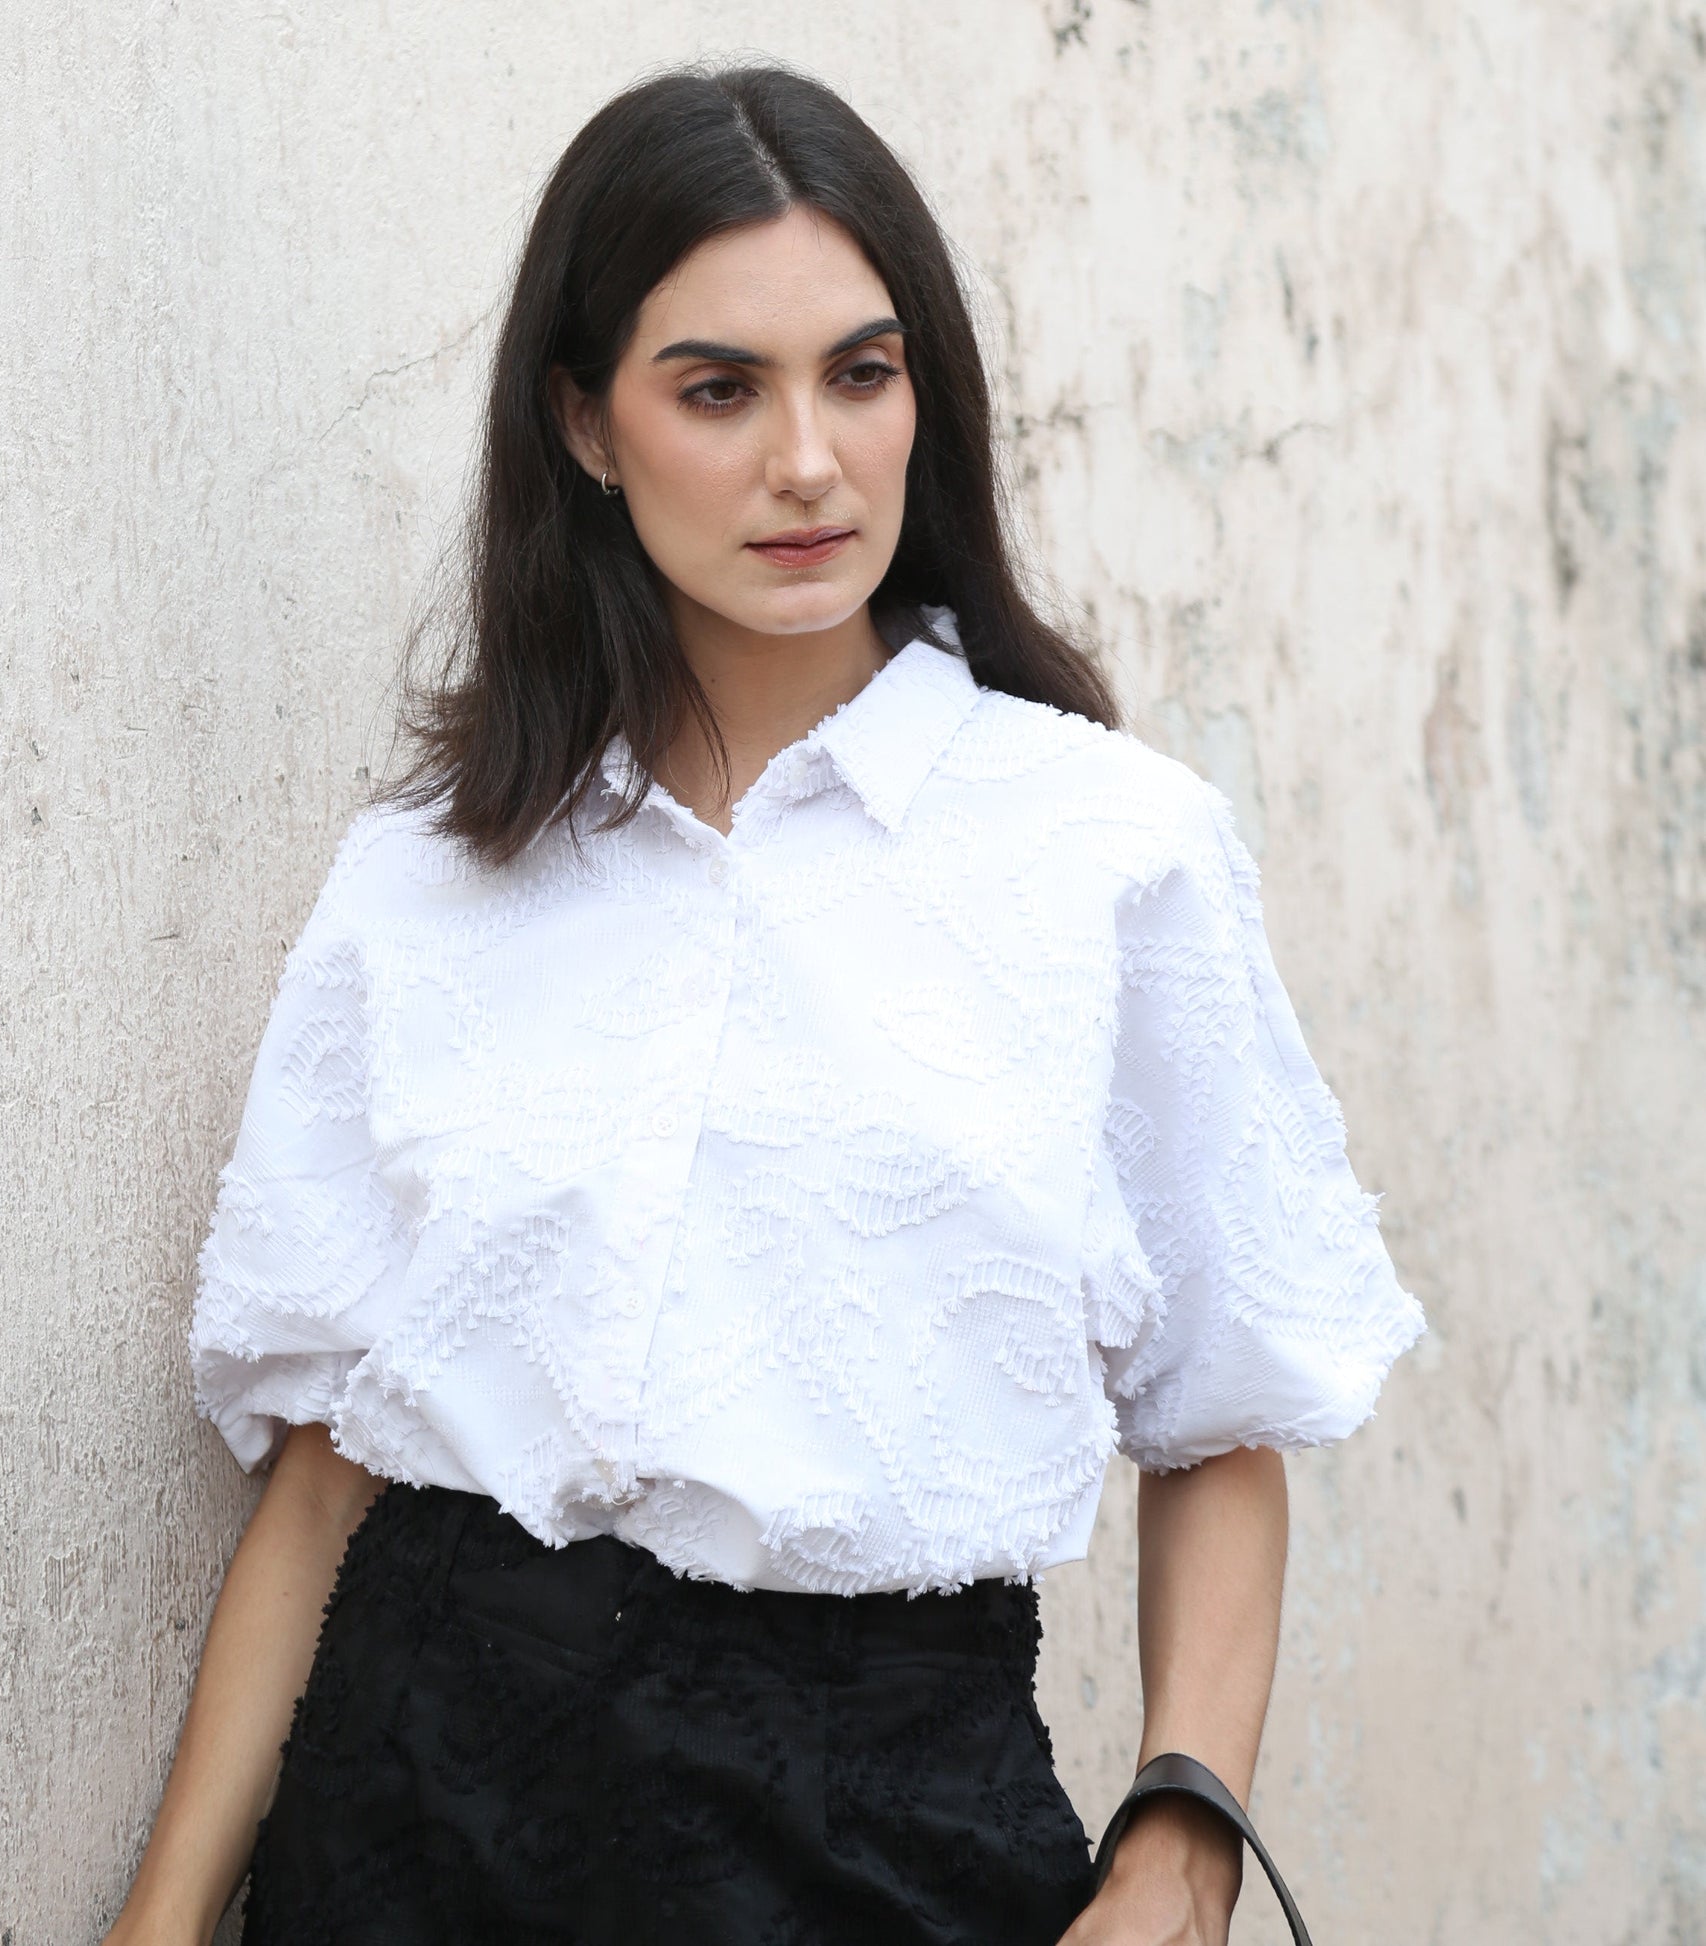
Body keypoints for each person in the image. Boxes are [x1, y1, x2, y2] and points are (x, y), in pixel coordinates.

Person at [103, 63, 1424, 1946]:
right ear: (583, 422)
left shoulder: (1106, 853)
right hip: (414, 1816)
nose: (807, 459)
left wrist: (1178, 1846)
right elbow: (332, 1473)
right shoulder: (433, 873)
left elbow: (1220, 1417)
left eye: (860, 374)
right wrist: (158, 1924)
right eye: (717, 387)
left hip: (886, 1830)